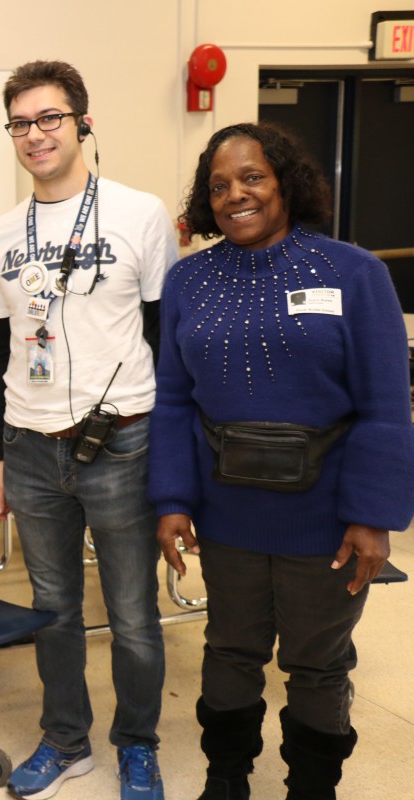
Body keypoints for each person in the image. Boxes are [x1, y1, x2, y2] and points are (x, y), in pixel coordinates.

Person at [151, 122, 414, 800]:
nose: (234, 194)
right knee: (229, 650)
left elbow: (386, 406)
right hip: (227, 513)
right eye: (218, 186)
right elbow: (175, 401)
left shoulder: (355, 273)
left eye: (251, 178)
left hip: (325, 520)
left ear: (286, 184)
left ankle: (312, 789)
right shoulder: (188, 280)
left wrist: (373, 516)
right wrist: (173, 500)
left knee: (317, 664)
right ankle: (226, 779)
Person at [0, 60, 174, 800]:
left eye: (49, 118)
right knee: (51, 610)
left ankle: (138, 746)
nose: (35, 135)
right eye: (21, 123)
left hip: (121, 440)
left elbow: (161, 334)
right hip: (30, 447)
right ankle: (66, 741)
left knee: (131, 614)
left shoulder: (139, 213)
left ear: (82, 122)